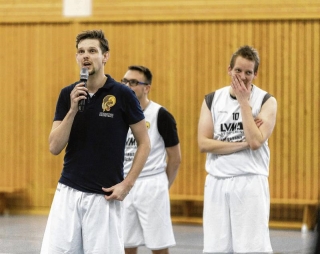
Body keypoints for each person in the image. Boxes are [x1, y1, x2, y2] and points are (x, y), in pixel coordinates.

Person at [41, 30, 150, 254]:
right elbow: (54, 147)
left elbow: (145, 143)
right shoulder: (68, 94)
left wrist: (127, 184)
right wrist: (72, 110)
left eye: (92, 51)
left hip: (104, 197)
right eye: (81, 51)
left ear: (105, 56)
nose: (86, 56)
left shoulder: (123, 94)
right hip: (68, 193)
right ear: (76, 57)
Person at [198, 45, 277, 253]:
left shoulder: (267, 101)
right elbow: (204, 144)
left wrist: (244, 103)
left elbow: (255, 142)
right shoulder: (212, 99)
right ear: (229, 70)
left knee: (251, 248)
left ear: (256, 74)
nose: (242, 76)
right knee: (216, 248)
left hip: (249, 181)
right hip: (217, 182)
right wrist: (241, 144)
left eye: (248, 72)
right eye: (238, 71)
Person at [121, 65, 181, 254]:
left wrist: (163, 184)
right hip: (124, 184)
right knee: (125, 243)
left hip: (152, 183)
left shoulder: (160, 115)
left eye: (133, 82)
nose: (127, 86)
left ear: (146, 88)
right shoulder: (118, 115)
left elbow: (175, 158)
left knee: (158, 245)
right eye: (124, 81)